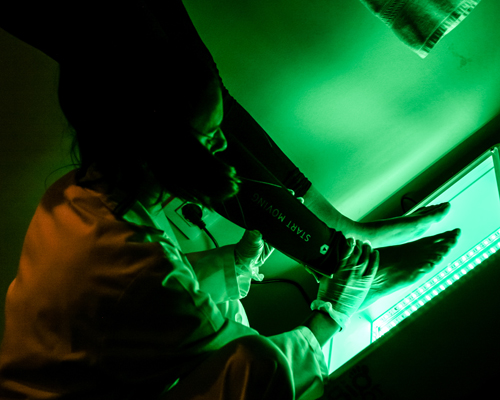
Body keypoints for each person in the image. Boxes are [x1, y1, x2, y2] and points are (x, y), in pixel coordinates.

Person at [0, 14, 381, 398]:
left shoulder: (74, 194)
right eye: (210, 134)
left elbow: (137, 303)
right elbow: (252, 374)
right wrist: (333, 313)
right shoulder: (144, 271)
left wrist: (233, 264)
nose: (223, 146)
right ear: (162, 146)